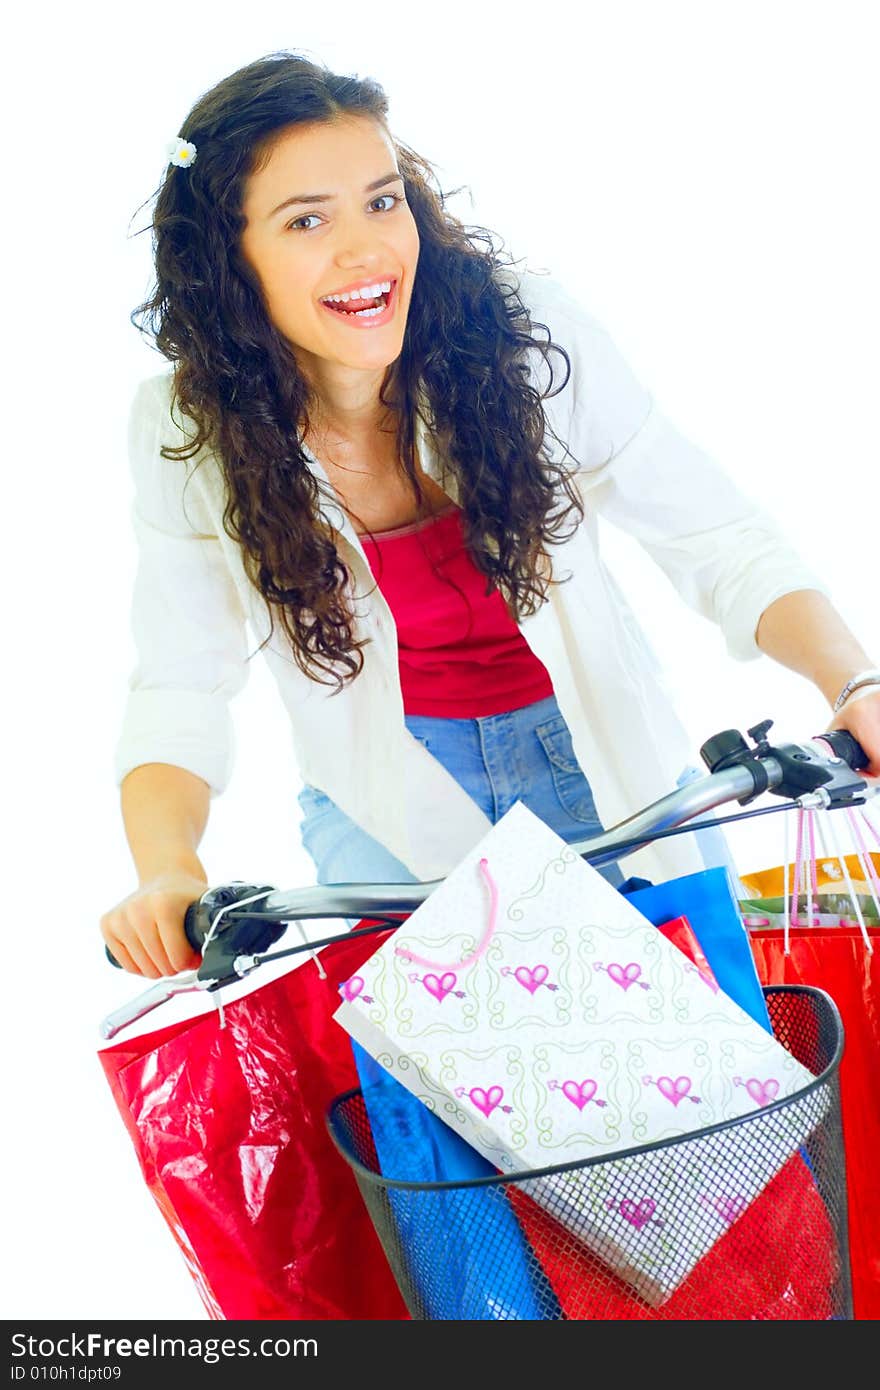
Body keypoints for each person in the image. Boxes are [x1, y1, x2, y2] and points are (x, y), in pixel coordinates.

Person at [100, 51, 879, 980]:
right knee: (466, 1118)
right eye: (307, 220)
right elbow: (180, 683)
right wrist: (168, 872)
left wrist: (854, 685)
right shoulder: (188, 431)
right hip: (390, 807)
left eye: (382, 201)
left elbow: (717, 538)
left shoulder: (521, 339)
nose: (365, 249)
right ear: (231, 262)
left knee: (729, 1092)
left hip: (607, 757)